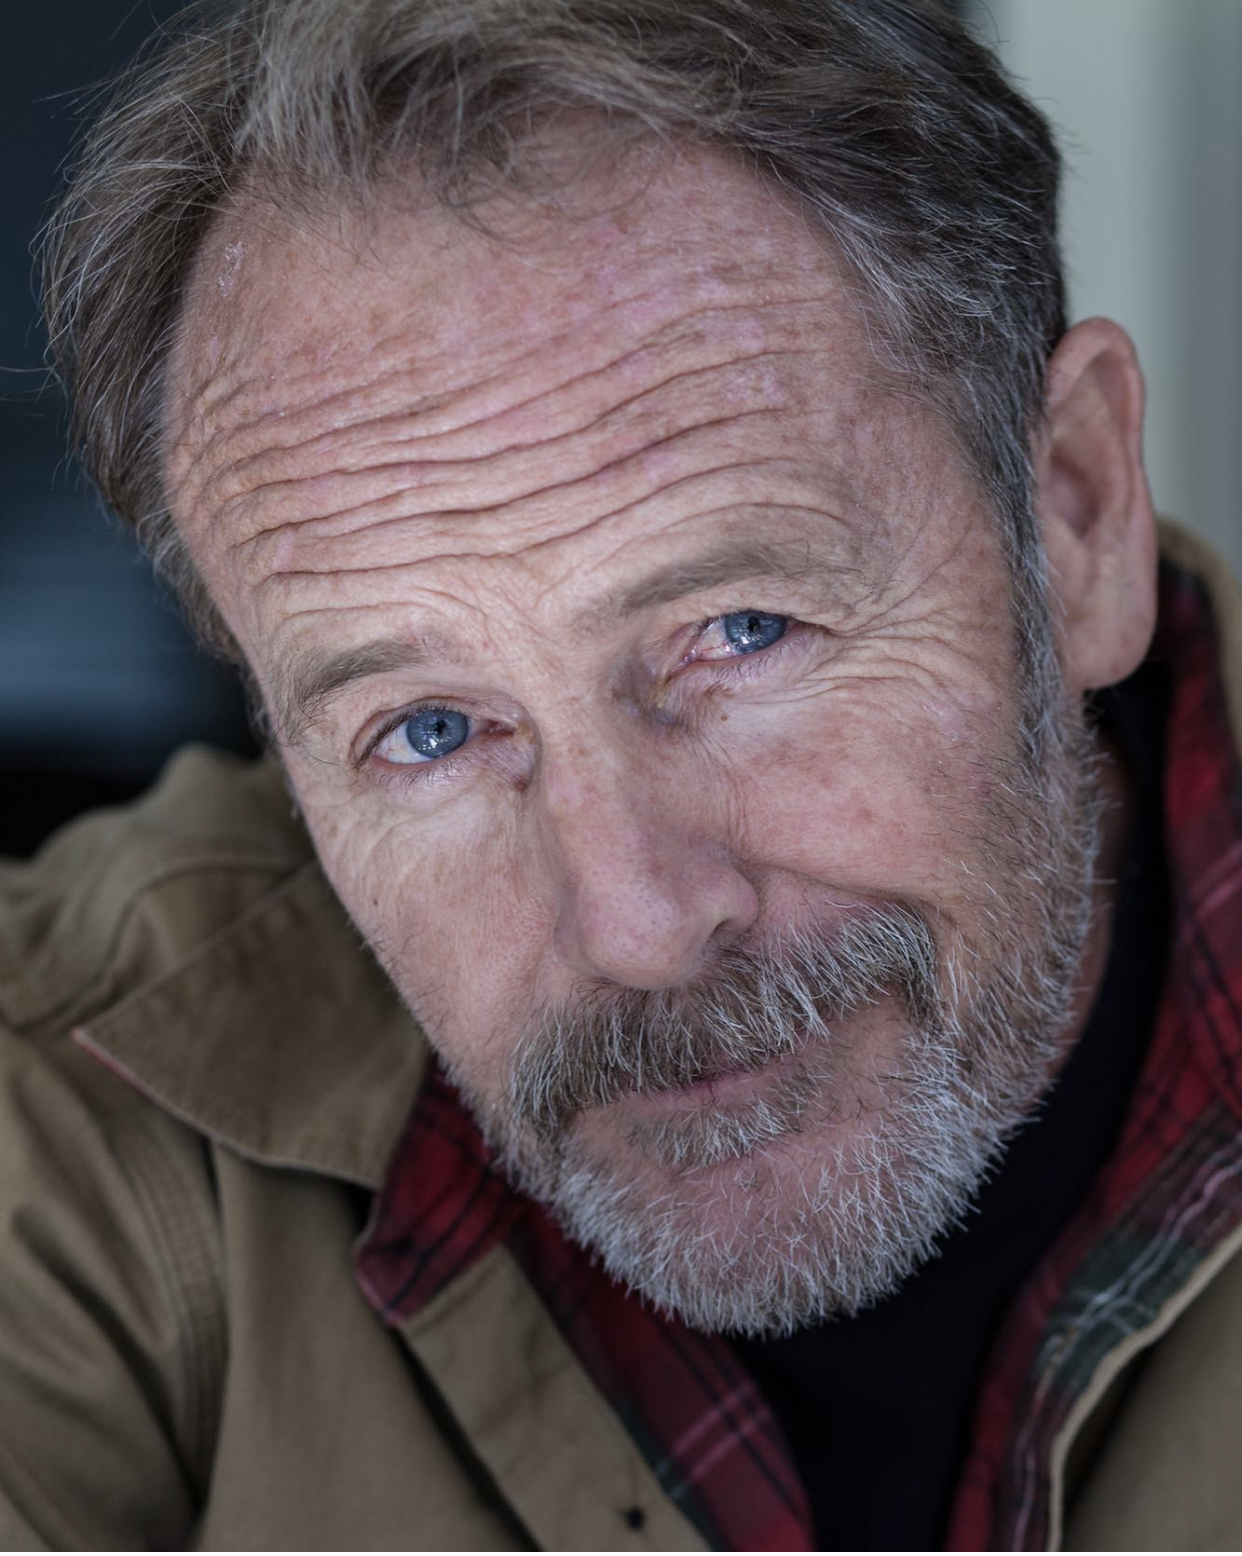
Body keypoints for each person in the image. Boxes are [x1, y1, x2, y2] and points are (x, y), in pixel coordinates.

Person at [3, 0, 1240, 1547]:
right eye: (430, 729)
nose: (637, 926)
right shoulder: (57, 1137)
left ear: (1071, 519)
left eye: (742, 631)